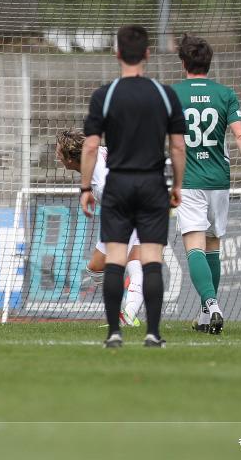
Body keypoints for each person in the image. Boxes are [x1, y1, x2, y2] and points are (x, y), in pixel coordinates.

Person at [81, 25, 186, 348]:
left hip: (118, 183)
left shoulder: (105, 94)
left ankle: (114, 333)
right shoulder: (165, 94)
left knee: (115, 259)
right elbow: (178, 146)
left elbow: (89, 146)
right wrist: (178, 184)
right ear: (147, 54)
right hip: (154, 182)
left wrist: (85, 187)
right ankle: (153, 333)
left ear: (117, 54)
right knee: (151, 260)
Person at [172, 34, 241, 335]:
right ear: (208, 63)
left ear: (183, 62)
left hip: (189, 181)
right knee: (212, 245)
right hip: (219, 182)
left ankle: (212, 305)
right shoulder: (225, 94)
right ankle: (204, 314)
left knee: (194, 246)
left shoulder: (173, 94)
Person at [55, 129, 143, 327]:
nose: (56, 156)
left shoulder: (100, 180)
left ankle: (126, 315)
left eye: (59, 152)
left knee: (126, 263)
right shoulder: (96, 156)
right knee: (102, 267)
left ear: (70, 158)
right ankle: (125, 315)